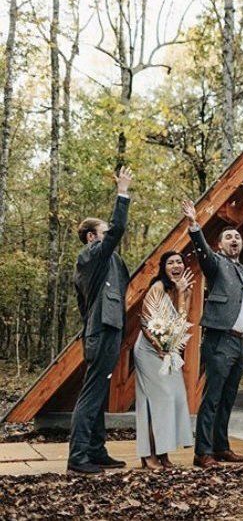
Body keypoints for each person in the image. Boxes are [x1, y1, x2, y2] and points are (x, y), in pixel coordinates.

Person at [182, 200, 243, 468]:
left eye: (237, 237)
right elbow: (201, 250)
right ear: (220, 245)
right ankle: (202, 452)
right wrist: (194, 225)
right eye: (228, 237)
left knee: (229, 398)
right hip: (219, 338)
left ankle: (221, 447)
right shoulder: (215, 263)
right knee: (213, 397)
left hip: (239, 342)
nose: (234, 240)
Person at [68, 167, 133, 475]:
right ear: (93, 237)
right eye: (104, 233)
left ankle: (96, 450)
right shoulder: (90, 256)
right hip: (101, 332)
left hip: (106, 330)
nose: (110, 238)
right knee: (91, 395)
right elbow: (118, 229)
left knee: (98, 394)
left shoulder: (105, 261)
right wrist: (122, 192)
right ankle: (78, 457)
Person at [134, 251, 196, 469]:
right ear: (163, 268)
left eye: (179, 262)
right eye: (171, 262)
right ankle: (148, 454)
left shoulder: (179, 290)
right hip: (150, 351)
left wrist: (183, 295)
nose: (176, 265)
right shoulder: (157, 288)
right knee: (156, 403)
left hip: (168, 351)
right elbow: (146, 322)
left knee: (172, 400)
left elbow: (181, 323)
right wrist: (161, 348)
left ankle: (163, 453)